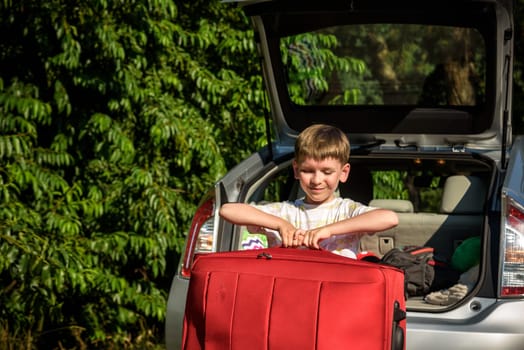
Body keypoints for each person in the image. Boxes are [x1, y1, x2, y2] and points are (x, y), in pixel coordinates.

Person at [219, 124, 398, 258]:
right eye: (308, 171)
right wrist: (281, 225)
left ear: (343, 173)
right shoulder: (285, 212)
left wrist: (328, 231)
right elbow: (227, 210)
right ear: (296, 170)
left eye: (327, 172)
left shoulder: (346, 211)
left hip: (336, 298)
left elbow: (389, 218)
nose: (316, 180)